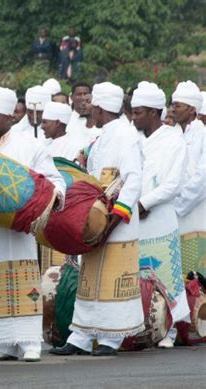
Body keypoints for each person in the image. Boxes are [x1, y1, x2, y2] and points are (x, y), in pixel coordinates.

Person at [0, 87, 65, 362]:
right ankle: (2, 343)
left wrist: (55, 197)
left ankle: (28, 341)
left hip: (18, 228)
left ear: (10, 117)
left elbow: (54, 179)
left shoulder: (30, 145)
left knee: (22, 279)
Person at [50, 82, 144, 357]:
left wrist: (116, 216)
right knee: (89, 277)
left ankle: (111, 338)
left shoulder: (127, 136)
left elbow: (133, 178)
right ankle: (80, 335)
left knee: (113, 278)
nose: (90, 110)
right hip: (95, 217)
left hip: (117, 220)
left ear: (101, 109)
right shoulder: (102, 136)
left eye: (93, 106)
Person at [131, 82, 190, 349]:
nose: (134, 117)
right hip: (134, 219)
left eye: (139, 112)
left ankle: (172, 330)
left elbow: (172, 184)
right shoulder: (135, 140)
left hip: (160, 218)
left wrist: (144, 203)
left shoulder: (173, 140)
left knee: (166, 275)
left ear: (154, 112)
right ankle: (145, 327)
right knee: (139, 276)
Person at [171, 81, 206, 277]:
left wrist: (179, 204)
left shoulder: (203, 135)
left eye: (178, 105)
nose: (173, 109)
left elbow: (203, 177)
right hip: (172, 213)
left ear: (192, 109)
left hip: (196, 213)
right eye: (172, 104)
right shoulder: (172, 135)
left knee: (198, 276)